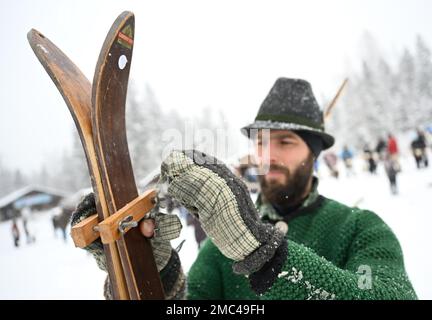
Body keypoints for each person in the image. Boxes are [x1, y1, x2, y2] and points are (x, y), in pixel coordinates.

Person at [71, 78, 416, 300]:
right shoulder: (222, 245)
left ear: (313, 153)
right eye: (262, 142)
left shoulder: (359, 228)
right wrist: (156, 273)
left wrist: (267, 254)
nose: (270, 155)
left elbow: (390, 295)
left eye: (286, 142)